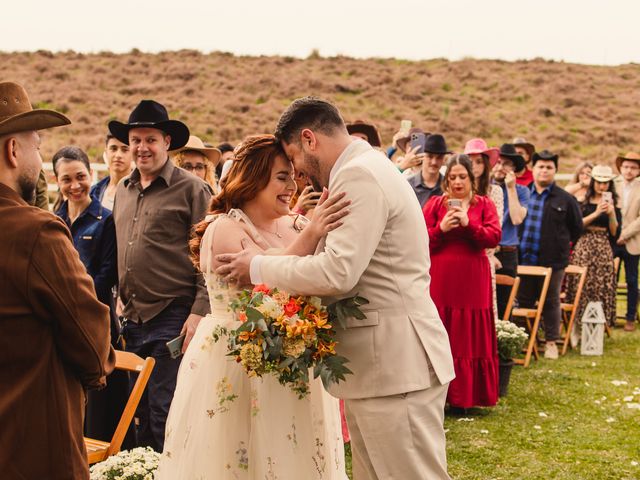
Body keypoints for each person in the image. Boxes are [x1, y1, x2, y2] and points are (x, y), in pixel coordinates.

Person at [216, 97, 455, 480]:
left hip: (395, 364)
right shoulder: (367, 168)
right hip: (382, 366)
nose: (298, 174)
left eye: (293, 159)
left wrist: (257, 266)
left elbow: (337, 272)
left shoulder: (359, 175)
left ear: (309, 139)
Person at [156, 134, 350, 480]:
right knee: (235, 459)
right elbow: (262, 280)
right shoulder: (224, 228)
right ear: (254, 177)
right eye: (281, 177)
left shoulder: (297, 224)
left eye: (293, 176)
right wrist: (312, 233)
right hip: (234, 365)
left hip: (293, 362)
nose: (292, 186)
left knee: (293, 453)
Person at [0, 81, 114, 479]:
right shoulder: (36, 232)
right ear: (13, 151)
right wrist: (100, 368)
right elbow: (91, 338)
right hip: (33, 445)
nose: (39, 159)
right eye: (36, 145)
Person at [109, 100, 212, 451]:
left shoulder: (192, 189)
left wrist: (199, 310)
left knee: (165, 410)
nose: (141, 148)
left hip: (173, 315)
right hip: (132, 318)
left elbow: (209, 254)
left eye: (149, 139)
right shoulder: (122, 190)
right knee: (136, 414)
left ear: (167, 142)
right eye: (135, 140)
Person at [52, 145, 131, 446]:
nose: (75, 186)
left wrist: (71, 298)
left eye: (80, 177)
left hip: (98, 324)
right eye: (66, 179)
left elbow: (107, 275)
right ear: (57, 181)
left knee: (102, 415)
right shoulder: (52, 221)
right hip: (60, 327)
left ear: (90, 174)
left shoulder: (105, 219)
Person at [424, 154, 501, 410]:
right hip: (442, 277)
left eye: (462, 177)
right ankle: (440, 396)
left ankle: (466, 397)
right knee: (441, 329)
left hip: (472, 277)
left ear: (471, 178)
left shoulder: (484, 204)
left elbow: (493, 237)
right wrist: (441, 230)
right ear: (446, 180)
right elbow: (419, 239)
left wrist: (469, 226)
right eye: (452, 177)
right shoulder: (436, 204)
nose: (457, 182)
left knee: (468, 333)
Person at [518, 150, 583, 359]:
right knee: (524, 299)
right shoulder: (523, 193)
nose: (544, 171)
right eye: (540, 166)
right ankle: (526, 339)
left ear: (555, 171)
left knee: (551, 301)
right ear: (533, 169)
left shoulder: (565, 199)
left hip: (553, 261)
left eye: (549, 167)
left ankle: (551, 342)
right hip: (525, 259)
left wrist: (560, 246)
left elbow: (576, 228)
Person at [567, 165, 620, 334]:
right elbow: (577, 226)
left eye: (605, 183)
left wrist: (611, 214)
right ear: (593, 182)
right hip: (584, 245)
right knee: (581, 285)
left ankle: (597, 326)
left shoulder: (614, 204)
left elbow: (614, 232)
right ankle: (576, 324)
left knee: (600, 285)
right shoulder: (582, 201)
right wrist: (597, 213)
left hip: (603, 246)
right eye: (598, 182)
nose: (602, 186)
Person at [465, 138, 504, 318]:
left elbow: (496, 229)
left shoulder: (494, 192)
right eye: (470, 161)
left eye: (479, 161)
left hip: (483, 258)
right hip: (460, 257)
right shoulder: (455, 190)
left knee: (482, 313)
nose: (474, 166)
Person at [491, 144, 530, 318]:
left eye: (506, 163)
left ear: (513, 168)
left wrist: (511, 188)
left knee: (505, 305)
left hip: (507, 254)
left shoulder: (522, 191)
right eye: (498, 162)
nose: (500, 167)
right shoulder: (486, 189)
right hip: (486, 252)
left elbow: (516, 218)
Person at [614, 152, 640, 331]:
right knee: (610, 279)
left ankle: (630, 316)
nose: (629, 170)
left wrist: (626, 234)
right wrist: (616, 233)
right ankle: (610, 314)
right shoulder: (612, 184)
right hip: (613, 239)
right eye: (626, 167)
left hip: (632, 241)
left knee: (632, 279)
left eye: (633, 167)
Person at [407, 133, 450, 208]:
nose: (434, 162)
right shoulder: (408, 185)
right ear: (423, 156)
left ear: (443, 160)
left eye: (439, 157)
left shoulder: (449, 186)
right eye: (430, 156)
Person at [91, 134, 133, 209]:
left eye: (125, 150)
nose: (118, 155)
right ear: (106, 152)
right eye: (113, 149)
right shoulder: (94, 192)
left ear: (133, 153)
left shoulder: (141, 191)